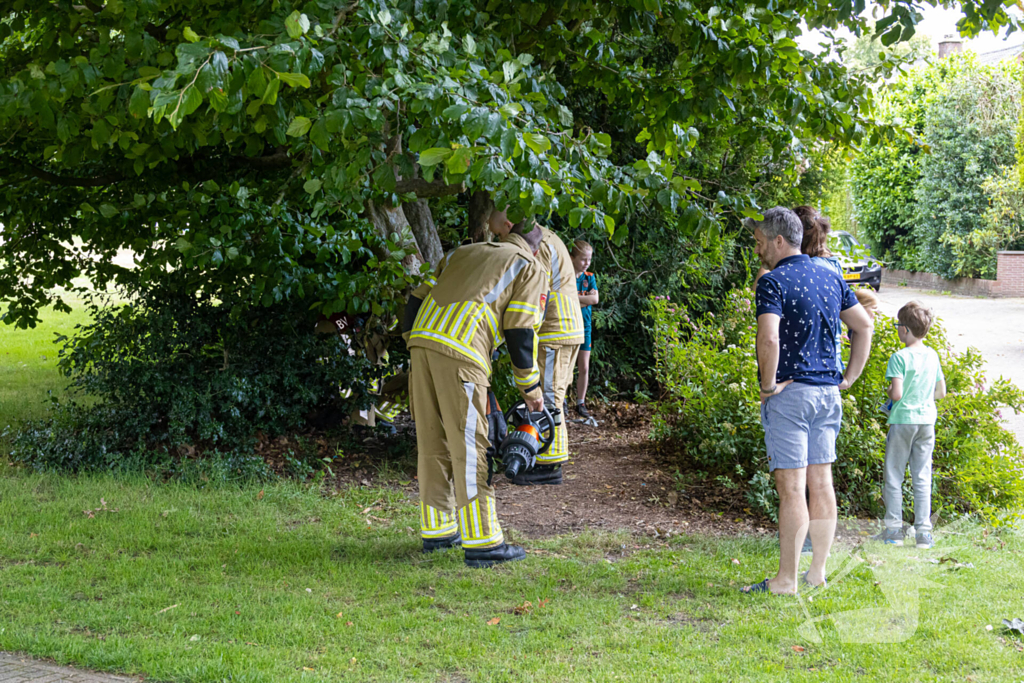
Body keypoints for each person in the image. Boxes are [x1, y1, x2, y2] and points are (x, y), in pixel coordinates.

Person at [403, 208, 547, 567]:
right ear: (534, 244)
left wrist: (416, 342)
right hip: (463, 351)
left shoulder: (462, 252)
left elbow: (415, 300)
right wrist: (531, 389)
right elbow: (519, 329)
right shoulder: (529, 267)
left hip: (422, 342)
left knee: (432, 438)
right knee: (471, 444)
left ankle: (438, 530)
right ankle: (483, 540)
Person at [742, 207, 874, 595]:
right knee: (822, 483)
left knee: (793, 489)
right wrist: (847, 378)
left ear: (779, 240)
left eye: (760, 241)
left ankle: (785, 581)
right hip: (827, 395)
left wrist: (767, 386)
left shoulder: (773, 282)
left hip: (791, 395)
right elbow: (863, 325)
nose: (758, 249)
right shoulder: (831, 275)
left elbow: (769, 339)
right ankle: (816, 573)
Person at [494, 220, 584, 485]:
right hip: (563, 326)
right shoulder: (546, 236)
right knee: (552, 393)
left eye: (499, 233)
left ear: (509, 223)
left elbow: (533, 290)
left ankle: (548, 465)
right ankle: (544, 458)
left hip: (554, 329)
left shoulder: (538, 243)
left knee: (547, 396)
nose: (497, 238)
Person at [878, 301, 946, 550]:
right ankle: (923, 533)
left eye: (898, 326)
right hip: (927, 421)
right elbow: (941, 392)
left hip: (903, 421)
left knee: (894, 475)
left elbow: (896, 395)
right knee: (922, 476)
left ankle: (894, 531)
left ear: (904, 329)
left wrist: (890, 390)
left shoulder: (899, 357)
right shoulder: (933, 355)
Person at [572, 240, 598, 418]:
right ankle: (562, 401)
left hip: (585, 327)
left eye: (589, 259)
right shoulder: (566, 277)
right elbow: (563, 297)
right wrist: (584, 298)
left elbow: (595, 299)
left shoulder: (589, 277)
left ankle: (580, 402)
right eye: (583, 259)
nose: (586, 263)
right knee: (566, 366)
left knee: (584, 367)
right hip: (569, 325)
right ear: (572, 257)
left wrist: (575, 299)